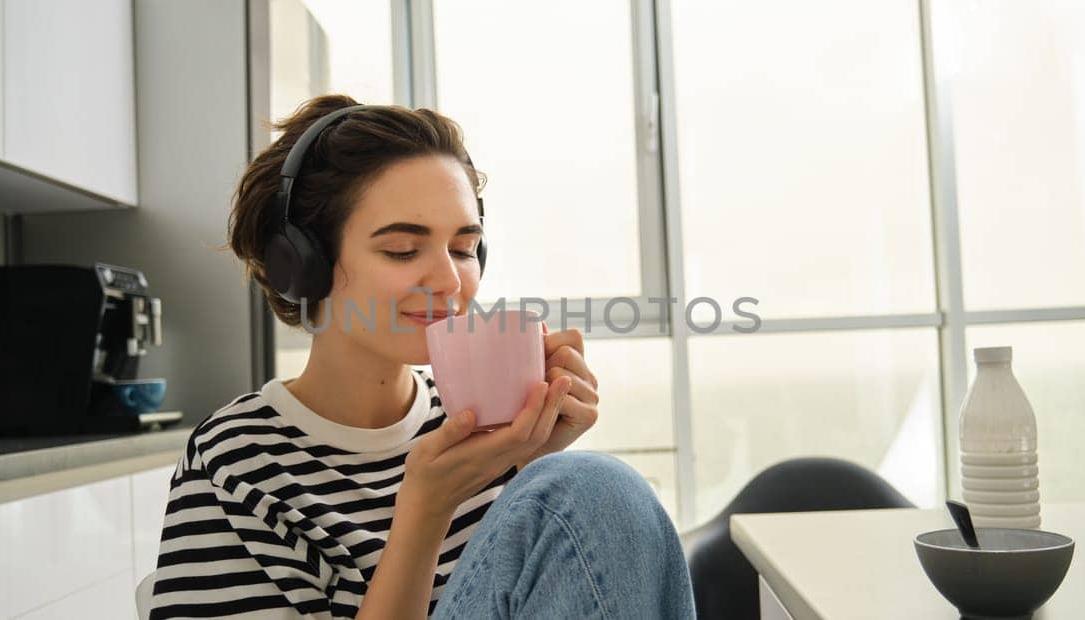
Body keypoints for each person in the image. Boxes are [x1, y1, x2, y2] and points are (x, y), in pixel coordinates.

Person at [145, 95, 694, 619]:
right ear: (301, 263)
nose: (450, 280)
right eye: (403, 250)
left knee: (588, 483)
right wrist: (425, 511)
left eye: (463, 248)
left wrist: (534, 466)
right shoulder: (235, 463)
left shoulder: (482, 433)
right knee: (592, 484)